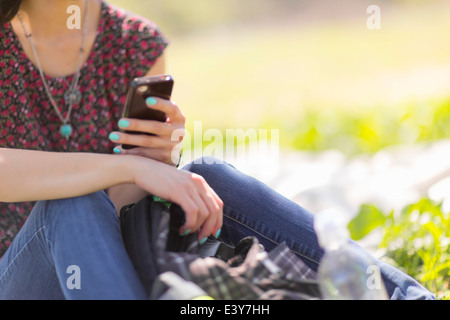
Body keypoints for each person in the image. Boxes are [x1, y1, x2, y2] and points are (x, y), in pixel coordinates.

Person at [0, 0, 434, 300]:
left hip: (110, 266)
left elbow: (125, 210)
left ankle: (406, 294)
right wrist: (130, 169)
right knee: (70, 206)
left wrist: (157, 164)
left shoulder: (134, 42)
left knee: (208, 172)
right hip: (21, 277)